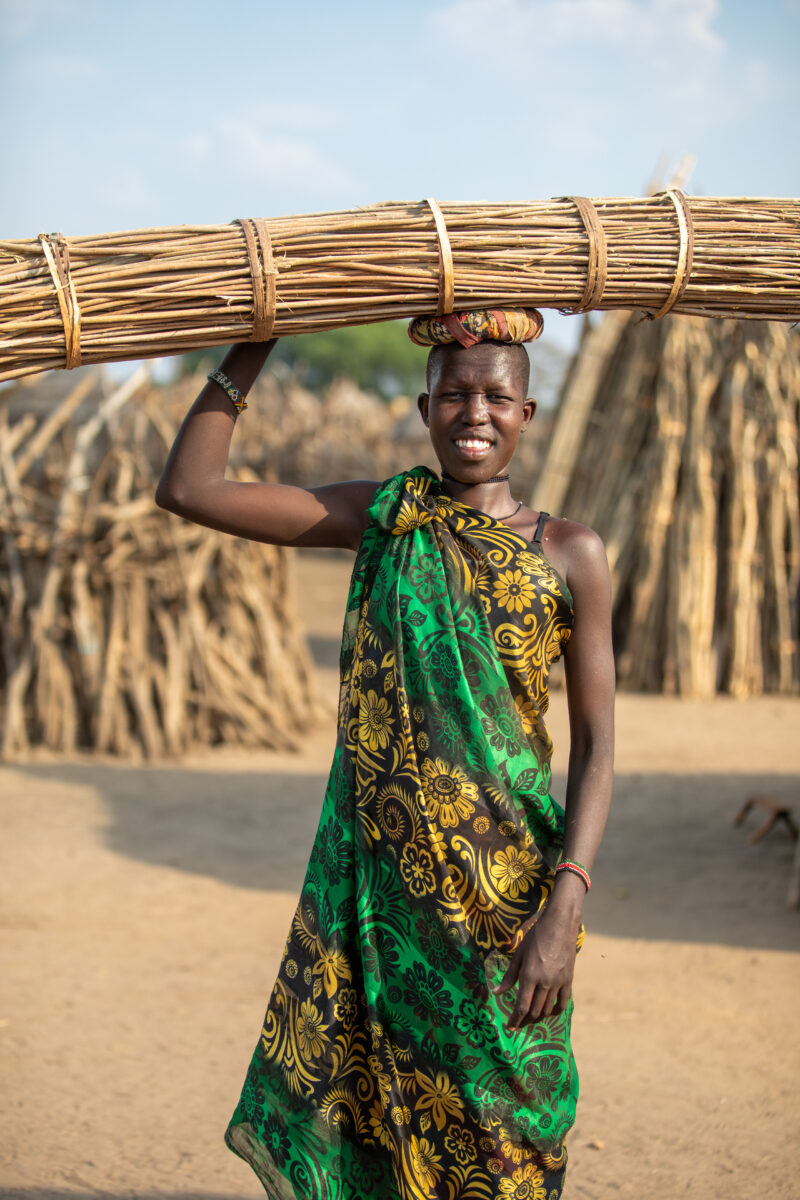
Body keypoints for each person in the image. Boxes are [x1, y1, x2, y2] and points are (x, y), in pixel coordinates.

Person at [155, 307, 615, 1200]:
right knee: (378, 1118)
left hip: (510, 897)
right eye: (454, 395)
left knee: (514, 1120)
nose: (473, 413)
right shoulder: (385, 517)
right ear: (424, 406)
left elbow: (597, 747)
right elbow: (191, 490)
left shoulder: (571, 554)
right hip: (385, 900)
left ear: (528, 414)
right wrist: (261, 335)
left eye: (496, 396)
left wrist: (566, 904)